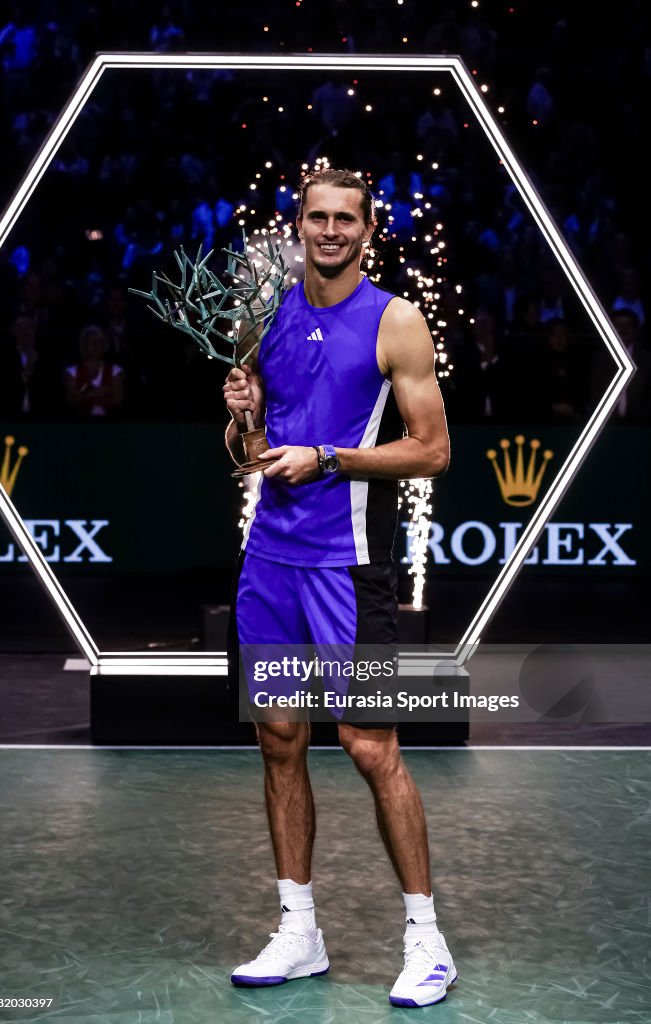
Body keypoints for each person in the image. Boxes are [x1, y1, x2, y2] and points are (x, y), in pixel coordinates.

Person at [223, 168, 454, 1009]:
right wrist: (243, 415)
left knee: (369, 746)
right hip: (269, 566)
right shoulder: (265, 316)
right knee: (279, 740)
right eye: (316, 217)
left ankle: (426, 940)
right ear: (299, 225)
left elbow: (432, 451)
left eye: (343, 219)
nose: (329, 231)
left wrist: (329, 458)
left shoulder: (396, 320)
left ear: (366, 230)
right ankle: (298, 930)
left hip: (349, 569)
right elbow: (248, 452)